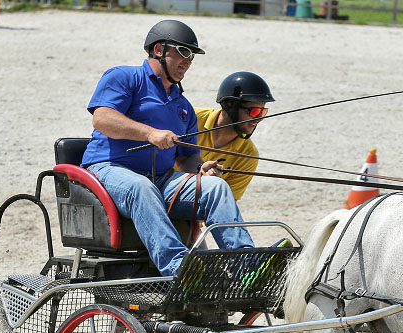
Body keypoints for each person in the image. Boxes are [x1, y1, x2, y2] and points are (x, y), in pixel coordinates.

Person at [80, 20, 254, 277]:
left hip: (160, 179)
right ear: (159, 49)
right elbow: (102, 118)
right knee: (141, 186)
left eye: (192, 55)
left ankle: (247, 265)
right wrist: (149, 133)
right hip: (108, 170)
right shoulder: (124, 77)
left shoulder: (183, 105)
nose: (188, 60)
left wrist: (200, 168)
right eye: (184, 52)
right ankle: (180, 269)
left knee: (216, 187)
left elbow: (186, 159)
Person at [194, 72, 274, 201]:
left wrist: (212, 186)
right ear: (230, 104)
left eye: (263, 112)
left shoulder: (249, 155)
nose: (259, 119)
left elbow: (226, 204)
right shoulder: (190, 117)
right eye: (254, 112)